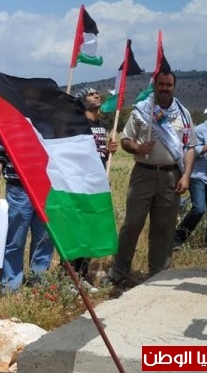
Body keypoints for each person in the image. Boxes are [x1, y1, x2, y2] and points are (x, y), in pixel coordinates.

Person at [106, 70, 196, 287]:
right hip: (143, 175)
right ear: (155, 86)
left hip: (171, 177)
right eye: (161, 84)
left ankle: (158, 275)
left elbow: (190, 147)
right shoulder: (142, 110)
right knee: (132, 224)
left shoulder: (183, 115)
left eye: (168, 85)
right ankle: (119, 272)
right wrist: (138, 147)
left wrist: (186, 176)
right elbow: (126, 140)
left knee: (164, 228)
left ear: (174, 87)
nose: (164, 88)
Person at [0, 139, 54, 294]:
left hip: (46, 188)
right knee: (15, 238)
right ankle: (11, 286)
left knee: (45, 237)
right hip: (19, 189)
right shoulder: (9, 128)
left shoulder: (50, 127)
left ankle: (39, 282)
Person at [71, 87, 118, 291]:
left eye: (97, 93)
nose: (96, 95)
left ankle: (82, 273)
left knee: (91, 229)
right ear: (82, 101)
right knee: (79, 228)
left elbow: (99, 154)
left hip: (97, 183)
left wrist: (108, 151)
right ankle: (70, 274)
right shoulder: (78, 124)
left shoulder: (102, 125)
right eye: (90, 94)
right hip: (81, 183)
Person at [174, 95, 207, 253]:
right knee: (199, 209)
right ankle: (176, 239)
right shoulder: (199, 130)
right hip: (198, 175)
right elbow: (191, 151)